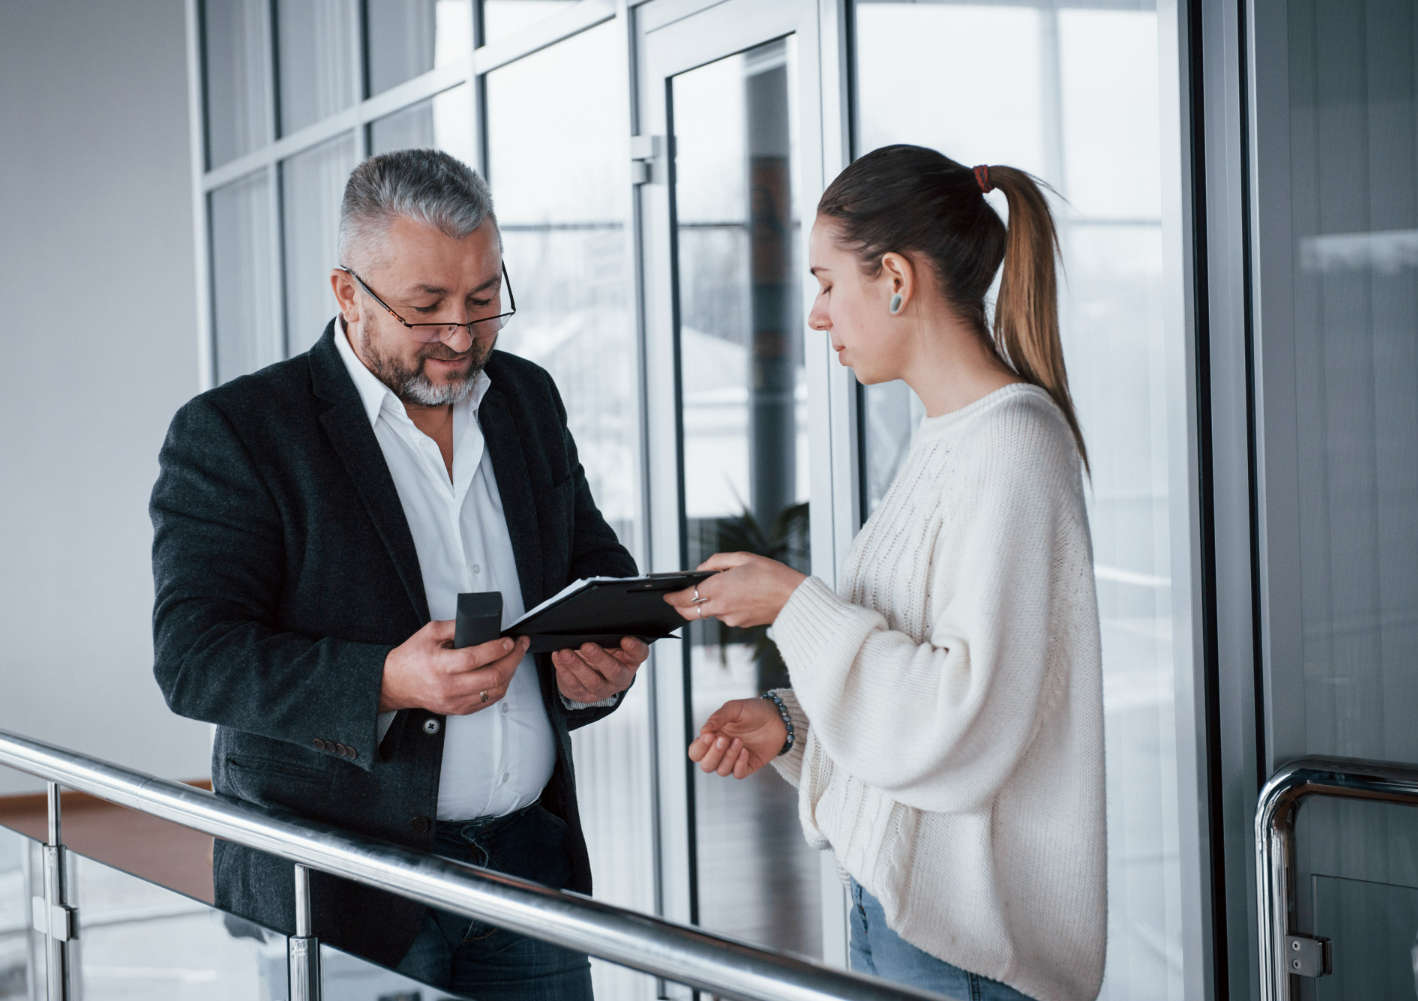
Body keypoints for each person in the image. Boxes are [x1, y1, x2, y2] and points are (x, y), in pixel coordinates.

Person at [150, 149, 646, 1000]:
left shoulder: (527, 397)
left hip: (529, 864)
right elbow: (195, 657)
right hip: (345, 884)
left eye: (485, 301)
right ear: (347, 293)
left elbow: (591, 558)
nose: (461, 335)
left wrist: (598, 659)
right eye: (428, 308)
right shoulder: (237, 430)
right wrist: (385, 679)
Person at [667, 145, 1106, 1001]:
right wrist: (793, 726)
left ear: (896, 279)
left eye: (828, 282)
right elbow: (921, 677)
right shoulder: (948, 438)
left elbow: (966, 719)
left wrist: (794, 604)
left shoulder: (1012, 445)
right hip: (905, 923)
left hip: (968, 955)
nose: (818, 315)